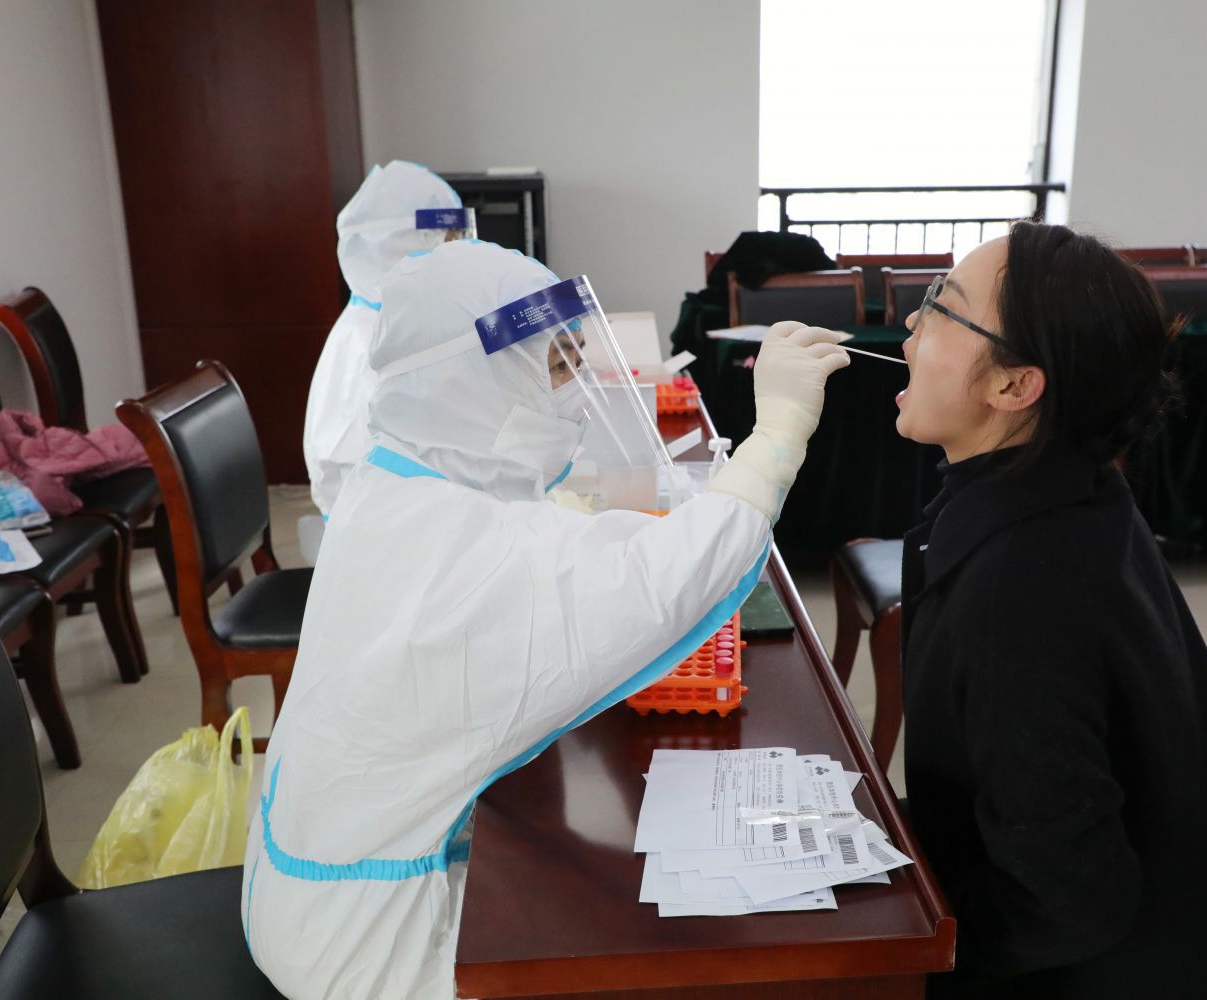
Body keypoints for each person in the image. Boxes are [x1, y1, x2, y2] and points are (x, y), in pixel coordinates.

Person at [242, 239, 849, 999]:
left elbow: (551, 553)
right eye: (558, 368)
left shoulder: (396, 478)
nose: (578, 390)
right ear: (466, 382)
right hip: (371, 945)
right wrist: (778, 434)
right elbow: (657, 581)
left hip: (327, 885)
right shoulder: (456, 545)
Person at [895, 222, 1207, 998]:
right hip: (1134, 922)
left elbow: (1070, 900)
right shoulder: (1067, 490)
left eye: (942, 305)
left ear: (1015, 387)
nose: (911, 322)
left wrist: (904, 945)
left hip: (1112, 972)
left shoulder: (1020, 586)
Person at [301, 161, 472, 523]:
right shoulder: (374, 341)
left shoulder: (386, 321)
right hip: (384, 531)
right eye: (451, 238)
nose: (460, 251)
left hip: (398, 515)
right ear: (405, 246)